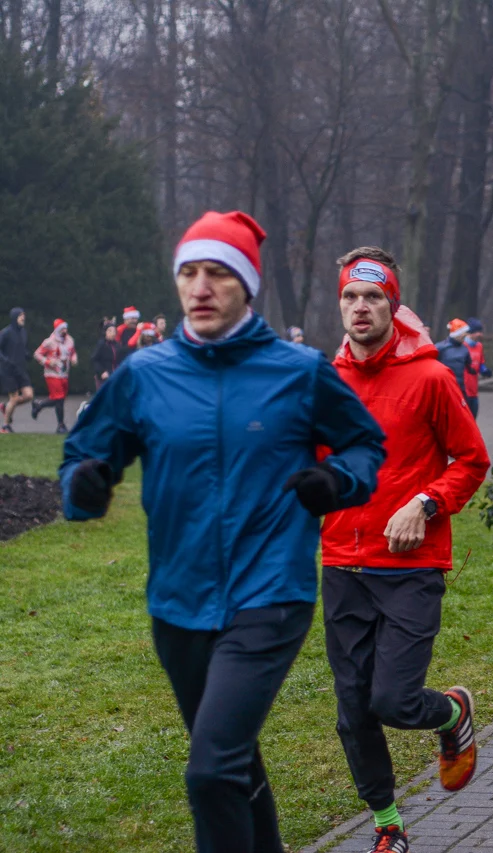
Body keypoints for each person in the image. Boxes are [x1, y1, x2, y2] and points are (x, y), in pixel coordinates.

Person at [59, 210, 386, 853]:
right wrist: (85, 487)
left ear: (247, 286)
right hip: (178, 602)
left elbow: (364, 446)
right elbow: (84, 456)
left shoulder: (299, 371)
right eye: (188, 273)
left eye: (218, 273)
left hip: (269, 594)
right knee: (232, 760)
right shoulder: (144, 375)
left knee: (210, 771)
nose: (200, 287)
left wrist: (336, 480)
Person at [322, 248, 490, 853]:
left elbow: (471, 460)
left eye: (373, 297)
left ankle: (451, 714)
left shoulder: (431, 378)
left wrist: (425, 503)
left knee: (392, 699)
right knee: (353, 711)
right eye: (350, 296)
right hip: (342, 564)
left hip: (410, 567)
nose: (360, 307)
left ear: (393, 305)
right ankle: (388, 825)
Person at [31, 318, 78, 433]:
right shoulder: (49, 342)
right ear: (57, 330)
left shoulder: (70, 340)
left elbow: (72, 352)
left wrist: (74, 359)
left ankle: (39, 405)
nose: (65, 331)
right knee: (59, 398)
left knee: (59, 399)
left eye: (65, 328)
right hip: (52, 373)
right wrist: (47, 362)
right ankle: (61, 425)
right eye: (62, 329)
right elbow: (37, 354)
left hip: (64, 374)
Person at [0, 307, 33, 433]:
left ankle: (5, 406)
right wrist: (5, 361)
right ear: (14, 317)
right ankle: (5, 426)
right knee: (14, 398)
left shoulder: (23, 332)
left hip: (21, 370)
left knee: (29, 395)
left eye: (24, 315)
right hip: (8, 371)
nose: (23, 317)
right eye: (20, 315)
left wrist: (26, 354)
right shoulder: (5, 332)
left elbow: (21, 348)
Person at [436, 318, 475, 400]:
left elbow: (470, 366)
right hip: (444, 387)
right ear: (457, 333)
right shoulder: (440, 347)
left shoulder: (465, 349)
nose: (466, 335)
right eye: (464, 332)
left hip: (460, 388)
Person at [462, 317, 490, 417]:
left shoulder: (479, 346)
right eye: (476, 332)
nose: (479, 334)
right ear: (470, 333)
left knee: (473, 418)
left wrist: (484, 370)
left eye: (480, 332)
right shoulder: (462, 346)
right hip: (463, 391)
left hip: (474, 391)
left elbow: (480, 363)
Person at [92, 322, 127, 391]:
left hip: (115, 375)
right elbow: (94, 359)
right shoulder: (101, 344)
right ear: (105, 332)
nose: (112, 333)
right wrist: (102, 372)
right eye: (110, 331)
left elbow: (121, 359)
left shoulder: (118, 345)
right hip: (104, 376)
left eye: (114, 331)